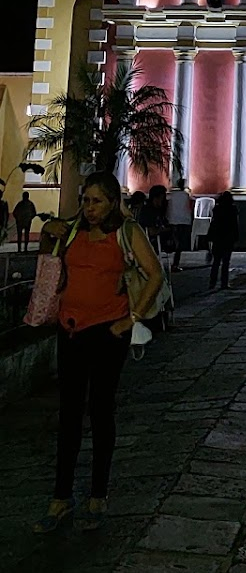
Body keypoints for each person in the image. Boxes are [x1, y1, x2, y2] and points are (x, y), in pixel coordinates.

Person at [34, 171, 163, 534]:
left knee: (102, 411)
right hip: (70, 330)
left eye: (97, 201)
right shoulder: (71, 230)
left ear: (112, 202)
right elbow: (49, 268)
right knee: (69, 414)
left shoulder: (127, 232)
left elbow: (155, 275)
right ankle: (61, 497)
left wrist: (131, 319)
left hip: (108, 332)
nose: (90, 208)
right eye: (86, 200)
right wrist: (47, 235)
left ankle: (98, 494)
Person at [207, 191, 239, 290]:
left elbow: (213, 224)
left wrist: (210, 237)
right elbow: (235, 225)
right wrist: (236, 237)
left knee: (216, 262)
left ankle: (212, 283)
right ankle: (224, 283)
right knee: (226, 262)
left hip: (218, 237)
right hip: (228, 238)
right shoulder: (233, 210)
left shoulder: (217, 209)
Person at [166, 178, 194, 272]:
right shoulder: (186, 195)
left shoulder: (172, 195)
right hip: (184, 220)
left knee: (175, 241)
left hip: (173, 220)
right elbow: (189, 207)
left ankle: (172, 262)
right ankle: (175, 264)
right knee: (179, 245)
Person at [138, 186, 170, 255]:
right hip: (151, 241)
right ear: (156, 198)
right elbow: (150, 231)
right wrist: (164, 230)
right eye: (163, 198)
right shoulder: (148, 211)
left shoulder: (158, 211)